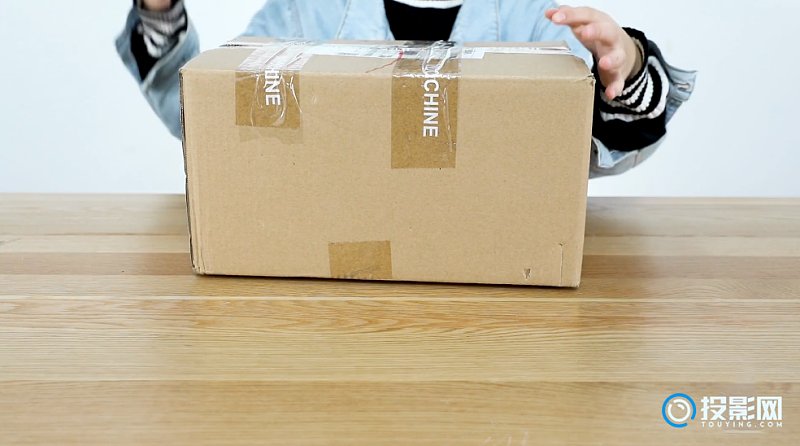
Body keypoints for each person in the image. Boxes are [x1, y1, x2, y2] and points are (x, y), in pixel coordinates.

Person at [116, 0, 695, 177]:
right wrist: (160, 11)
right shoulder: (307, 11)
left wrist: (627, 71)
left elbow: (593, 151)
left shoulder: (534, 17)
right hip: (330, 283)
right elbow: (218, 126)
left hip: (503, 290)